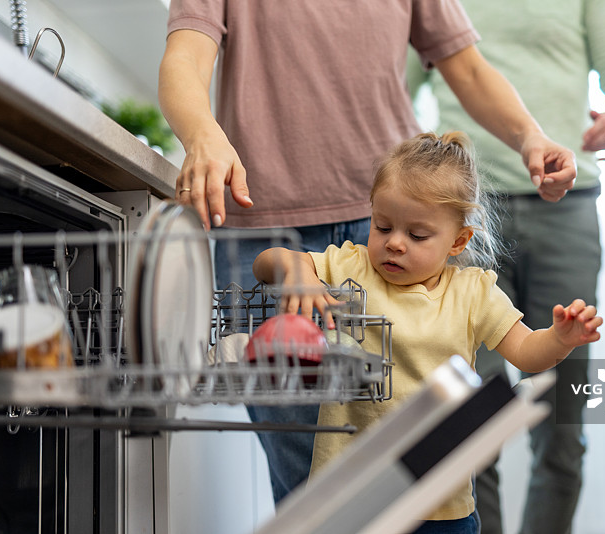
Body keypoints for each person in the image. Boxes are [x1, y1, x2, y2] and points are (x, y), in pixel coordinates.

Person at [158, 0, 578, 505]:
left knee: (414, 464)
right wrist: (202, 133)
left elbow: (466, 68)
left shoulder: (434, 261)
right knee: (308, 488)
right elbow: (186, 54)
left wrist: (529, 136)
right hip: (269, 227)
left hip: (384, 220)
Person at [253, 131, 603, 533]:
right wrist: (296, 270)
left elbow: (527, 352)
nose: (395, 243)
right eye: (382, 226)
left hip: (440, 503)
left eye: (417, 235)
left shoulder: (473, 292)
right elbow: (266, 261)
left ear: (458, 241)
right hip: (350, 499)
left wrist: (559, 339)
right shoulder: (352, 266)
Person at [407, 1, 605, 532]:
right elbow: (394, 87)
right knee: (473, 417)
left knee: (562, 420)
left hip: (567, 209)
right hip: (463, 216)